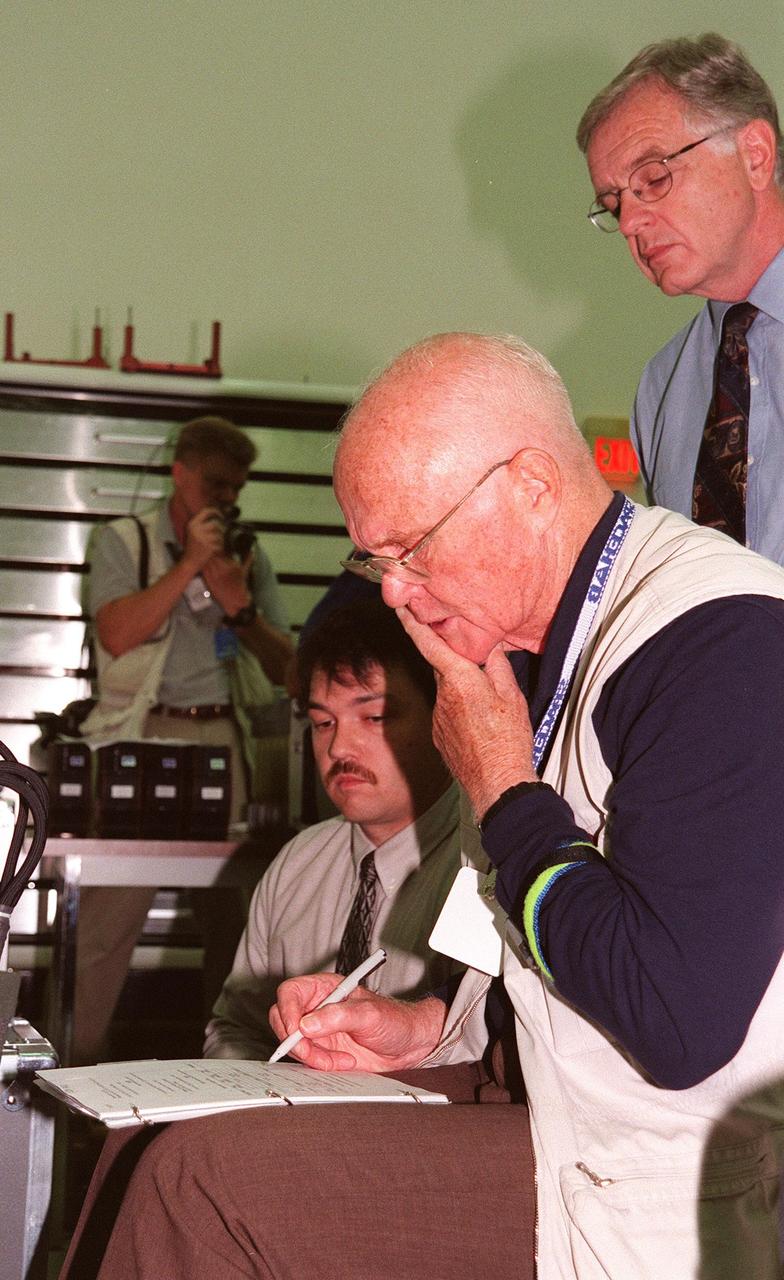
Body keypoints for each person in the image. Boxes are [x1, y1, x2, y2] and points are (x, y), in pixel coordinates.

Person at [79, 333, 784, 1279]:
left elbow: (672, 1020)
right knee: (143, 1146)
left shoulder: (719, 644)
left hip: (677, 1165)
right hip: (544, 1099)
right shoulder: (532, 646)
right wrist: (425, 1026)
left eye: (413, 547)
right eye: (377, 562)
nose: (400, 595)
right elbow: (539, 945)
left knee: (199, 1184)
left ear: (532, 485)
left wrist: (501, 787)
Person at [72, 416, 294, 1065]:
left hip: (224, 738)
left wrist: (239, 606)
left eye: (236, 488)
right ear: (181, 474)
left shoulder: (249, 555)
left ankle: (230, 1082)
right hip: (141, 738)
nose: (226, 500)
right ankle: (76, 1083)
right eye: (216, 484)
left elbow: (287, 668)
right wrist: (190, 563)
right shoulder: (125, 540)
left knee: (238, 929)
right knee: (108, 929)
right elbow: (116, 633)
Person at [203, 597, 463, 1059]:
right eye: (323, 722)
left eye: (374, 717)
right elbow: (234, 1027)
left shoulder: (485, 865)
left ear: (443, 716)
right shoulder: (299, 862)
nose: (340, 745)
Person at [577, 34, 784, 559]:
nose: (629, 222)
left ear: (754, 156)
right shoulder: (662, 387)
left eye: (652, 178)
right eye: (612, 202)